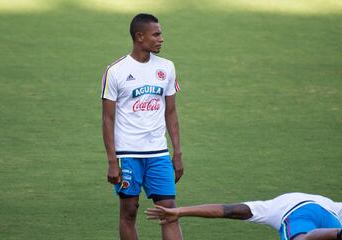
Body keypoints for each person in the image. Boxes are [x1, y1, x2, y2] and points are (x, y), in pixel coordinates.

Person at [101, 13, 183, 240]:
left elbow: (171, 112)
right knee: (129, 212)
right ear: (140, 37)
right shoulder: (115, 71)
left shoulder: (167, 67)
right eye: (156, 34)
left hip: (158, 153)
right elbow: (107, 119)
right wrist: (111, 162)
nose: (161, 39)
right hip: (128, 154)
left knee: (169, 211)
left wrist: (177, 153)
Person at [146, 192, 342, 240]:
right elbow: (226, 211)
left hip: (295, 215)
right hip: (328, 212)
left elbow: (227, 211)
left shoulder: (270, 207)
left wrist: (180, 211)